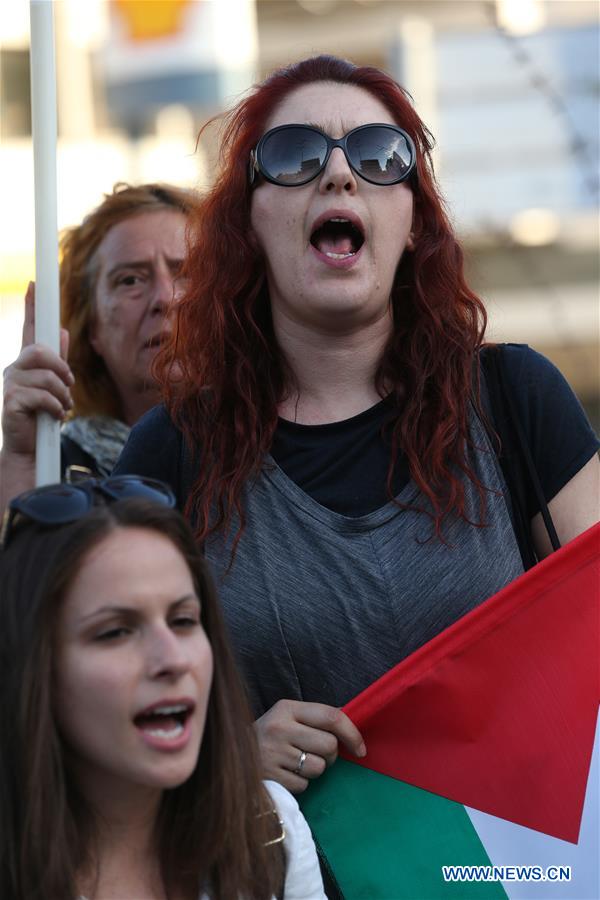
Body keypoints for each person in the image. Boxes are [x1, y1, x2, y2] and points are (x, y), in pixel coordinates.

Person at [114, 55, 600, 794]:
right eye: (294, 156)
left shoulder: (516, 400)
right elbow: (103, 710)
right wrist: (228, 759)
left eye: (379, 156)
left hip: (519, 845)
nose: (339, 175)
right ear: (249, 223)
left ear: (414, 222)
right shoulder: (173, 450)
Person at [0, 477, 326, 899]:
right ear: (32, 665)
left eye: (184, 620)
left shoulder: (270, 828)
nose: (173, 659)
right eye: (116, 631)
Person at [0, 182, 200, 515]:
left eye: (190, 274)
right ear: (91, 326)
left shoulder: (278, 446)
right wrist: (21, 461)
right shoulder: (52, 469)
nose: (165, 298)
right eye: (130, 280)